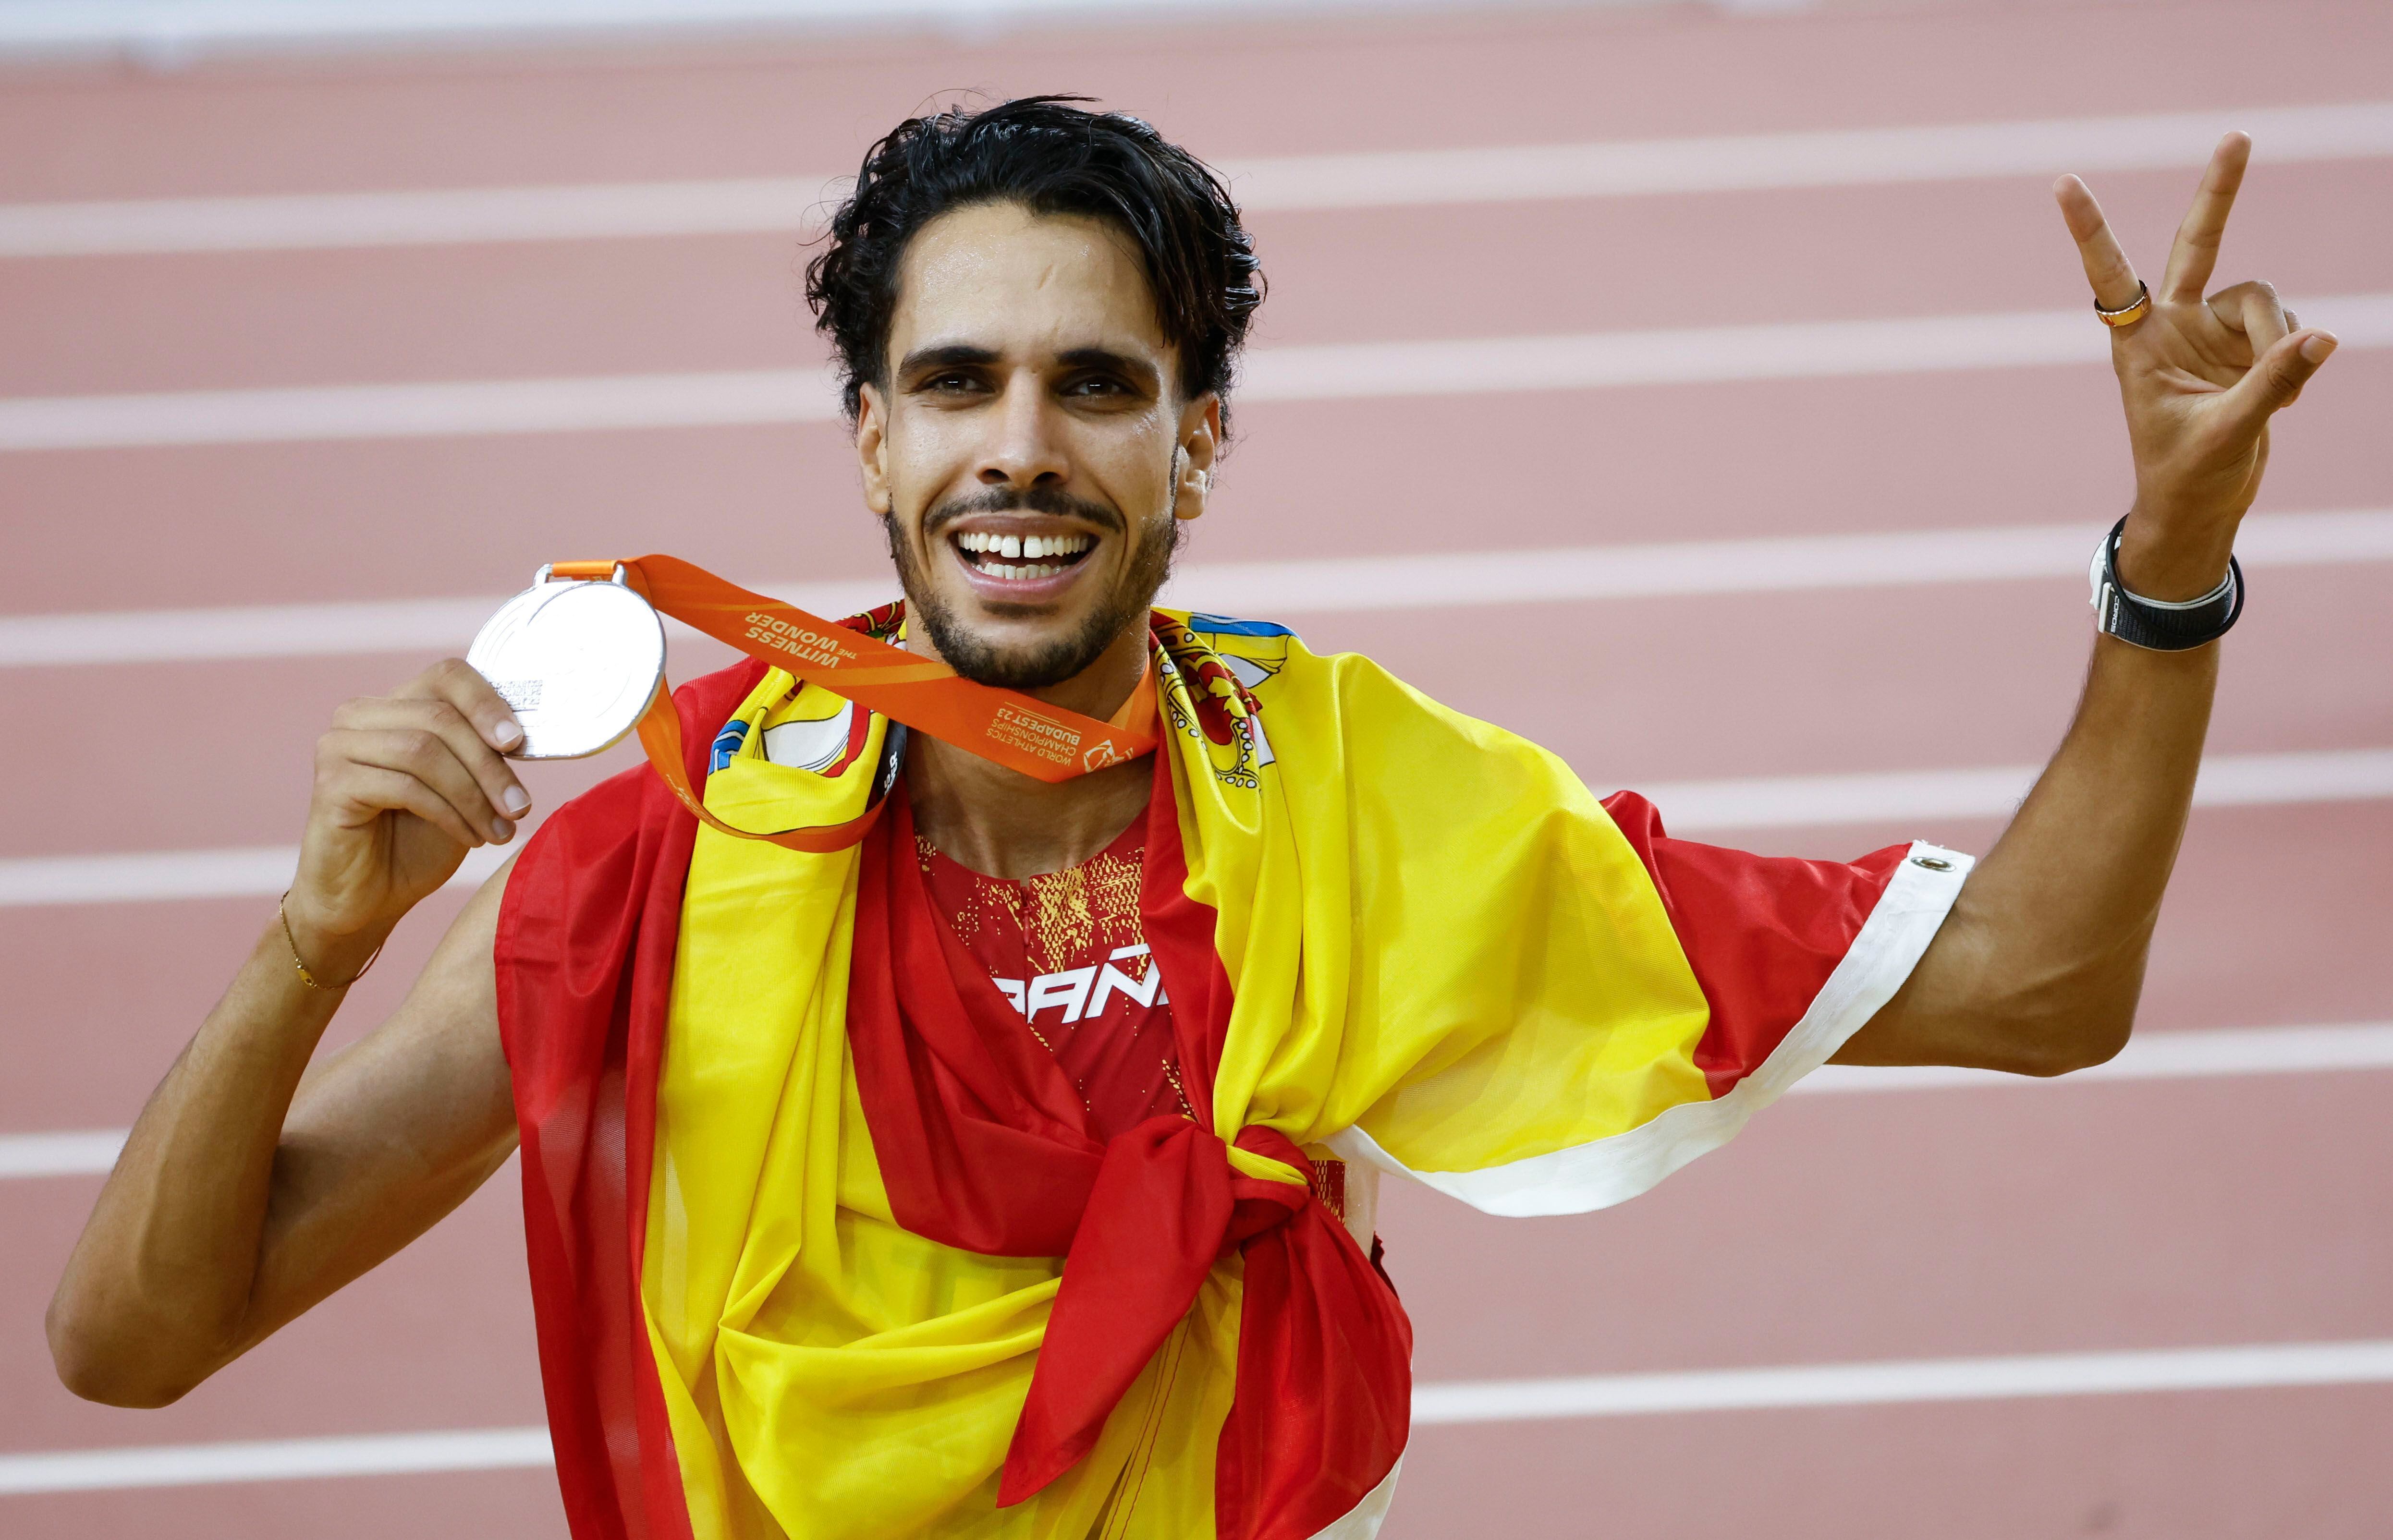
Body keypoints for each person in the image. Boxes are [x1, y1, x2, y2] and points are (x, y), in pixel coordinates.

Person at [48, 96, 2337, 1540]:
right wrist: (312, 940)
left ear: (1196, 441)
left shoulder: (1351, 804)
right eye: (954, 382)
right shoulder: (658, 852)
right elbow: (132, 1343)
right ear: (868, 438)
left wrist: (2165, 567)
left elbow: (2039, 989)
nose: (1018, 447)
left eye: (1097, 385)